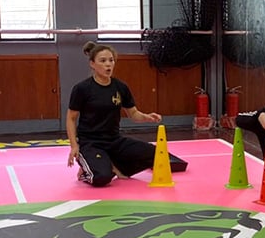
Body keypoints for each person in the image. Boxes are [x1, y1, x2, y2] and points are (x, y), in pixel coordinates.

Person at [67, 41, 187, 187]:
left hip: (114, 141)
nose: (108, 64)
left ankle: (115, 166)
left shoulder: (120, 87)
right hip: (90, 143)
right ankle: (87, 171)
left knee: (156, 154)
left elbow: (133, 114)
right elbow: (71, 118)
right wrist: (74, 146)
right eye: (103, 61)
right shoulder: (82, 89)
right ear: (92, 64)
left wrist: (147, 117)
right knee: (102, 177)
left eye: (111, 60)